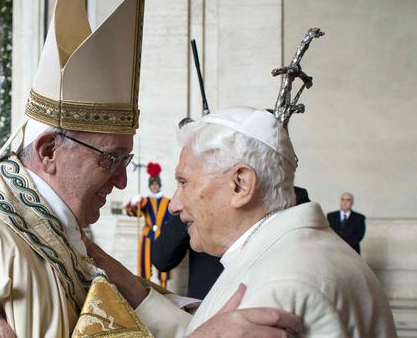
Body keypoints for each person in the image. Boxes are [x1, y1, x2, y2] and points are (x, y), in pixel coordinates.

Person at [0, 0, 301, 338]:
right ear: (48, 151)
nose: (120, 181)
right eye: (110, 159)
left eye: (124, 161)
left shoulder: (61, 231)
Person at [86, 107, 396, 337]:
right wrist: (125, 282)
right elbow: (211, 328)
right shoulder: (287, 251)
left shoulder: (280, 286)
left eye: (184, 182)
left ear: (240, 185)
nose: (175, 205)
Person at [151, 211, 224, 299]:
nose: (172, 207)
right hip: (202, 304)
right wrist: (189, 211)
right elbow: (161, 259)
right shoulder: (192, 207)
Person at [125, 162, 175, 288]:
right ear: (149, 186)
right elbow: (133, 213)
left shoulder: (167, 202)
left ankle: (164, 289)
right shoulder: (145, 201)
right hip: (147, 236)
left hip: (162, 236)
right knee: (144, 265)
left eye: (156, 184)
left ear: (159, 185)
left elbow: (171, 220)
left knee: (163, 263)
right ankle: (147, 290)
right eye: (152, 184)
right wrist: (134, 203)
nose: (154, 186)